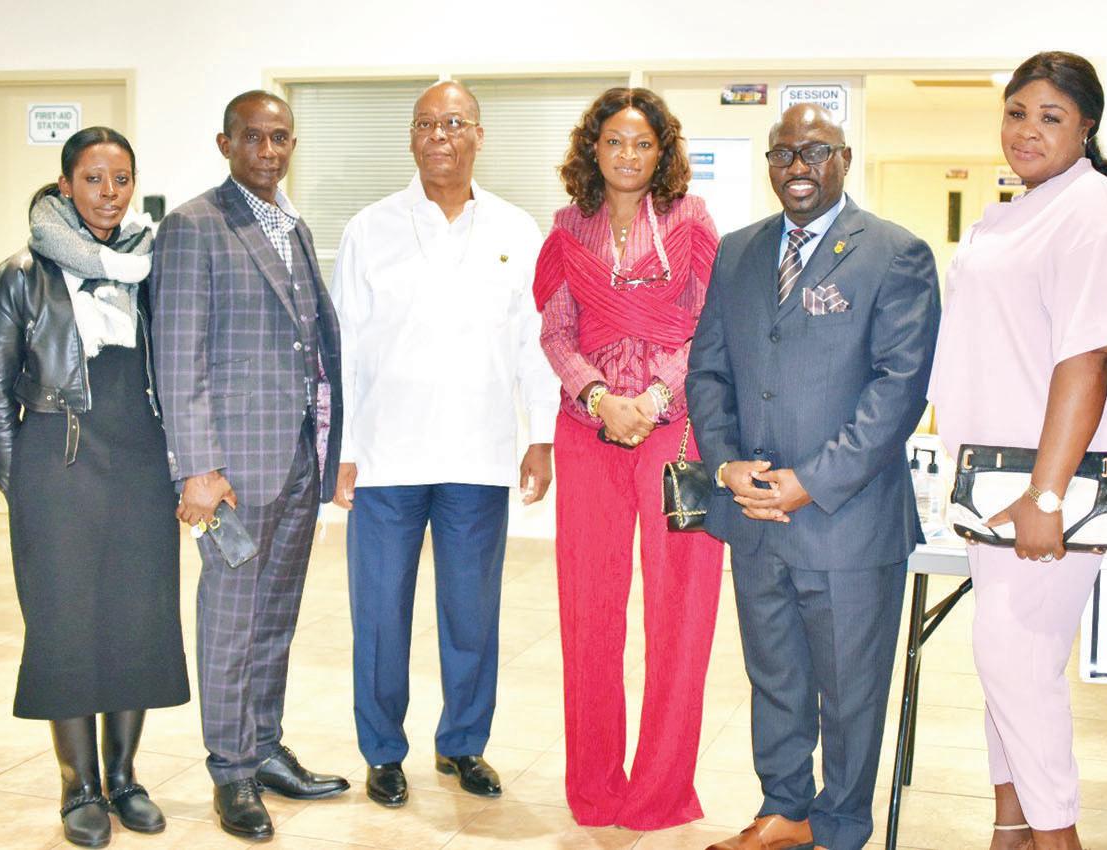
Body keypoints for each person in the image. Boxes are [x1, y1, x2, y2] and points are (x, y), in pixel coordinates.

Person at [688, 103, 940, 850]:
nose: (798, 167)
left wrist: (812, 481)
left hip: (845, 520)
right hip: (753, 515)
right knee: (775, 677)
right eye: (783, 154)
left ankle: (840, 827)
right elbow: (709, 371)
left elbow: (899, 390)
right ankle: (785, 809)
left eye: (815, 152)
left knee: (850, 691)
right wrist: (725, 463)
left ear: (844, 159)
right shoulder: (737, 251)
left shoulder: (895, 253)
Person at [927, 52, 1107, 850]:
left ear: (1086, 126)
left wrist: (1046, 495)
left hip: (1045, 485)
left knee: (1014, 661)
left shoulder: (1096, 210)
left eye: (1050, 117)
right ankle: (1011, 827)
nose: (1028, 130)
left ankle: (1056, 838)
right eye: (1017, 112)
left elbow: (1089, 358)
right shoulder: (1011, 213)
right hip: (992, 482)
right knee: (1008, 666)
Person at [332, 80, 560, 808]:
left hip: (478, 456)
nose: (440, 135)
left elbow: (535, 341)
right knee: (379, 616)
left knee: (471, 614)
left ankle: (463, 742)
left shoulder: (516, 229)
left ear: (479, 136)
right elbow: (344, 349)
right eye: (426, 123)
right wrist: (340, 447)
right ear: (411, 137)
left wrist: (542, 435)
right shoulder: (369, 228)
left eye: (455, 122)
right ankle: (382, 751)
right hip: (386, 457)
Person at [0, 127, 190, 847]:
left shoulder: (150, 268)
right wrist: (16, 485)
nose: (109, 193)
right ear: (65, 185)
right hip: (56, 467)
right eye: (93, 179)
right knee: (64, 626)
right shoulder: (21, 274)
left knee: (138, 620)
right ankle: (80, 787)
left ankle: (124, 777)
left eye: (121, 179)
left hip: (140, 468)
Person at [151, 90, 348, 841]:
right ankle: (230, 769)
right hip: (231, 472)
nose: (269, 151)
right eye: (254, 138)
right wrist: (197, 467)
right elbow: (179, 356)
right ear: (225, 143)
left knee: (275, 616)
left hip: (295, 459)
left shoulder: (292, 224)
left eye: (281, 137)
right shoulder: (193, 225)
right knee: (232, 618)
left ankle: (264, 747)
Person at [533, 87, 724, 830]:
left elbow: (710, 324)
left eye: (643, 143)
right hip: (589, 430)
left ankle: (661, 792)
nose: (628, 155)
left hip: (676, 431)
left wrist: (652, 398)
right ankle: (595, 788)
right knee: (589, 610)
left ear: (662, 152)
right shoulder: (565, 227)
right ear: (594, 147)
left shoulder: (692, 220)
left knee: (680, 608)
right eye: (614, 140)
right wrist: (597, 398)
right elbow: (556, 333)